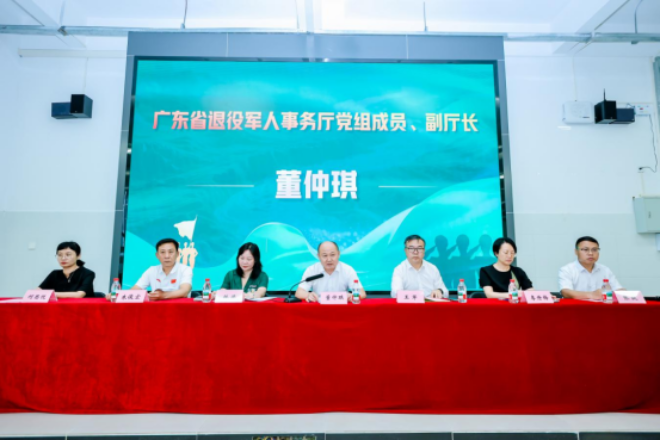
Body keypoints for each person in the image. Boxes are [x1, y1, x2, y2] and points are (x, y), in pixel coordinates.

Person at [111, 238, 192, 301]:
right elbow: (136, 288)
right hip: (156, 309)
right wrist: (117, 295)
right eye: (162, 252)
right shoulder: (152, 270)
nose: (167, 256)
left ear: (177, 254)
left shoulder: (185, 269)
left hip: (179, 308)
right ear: (157, 255)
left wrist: (163, 295)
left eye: (170, 252)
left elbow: (185, 291)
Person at [295, 241, 367, 302]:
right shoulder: (312, 270)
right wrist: (308, 295)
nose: (329, 259)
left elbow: (362, 293)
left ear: (338, 254)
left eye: (332, 255)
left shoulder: (347, 270)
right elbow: (299, 292)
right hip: (319, 309)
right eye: (324, 255)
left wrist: (353, 296)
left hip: (341, 309)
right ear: (318, 256)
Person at [559, 236, 624, 299]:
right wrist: (592, 294)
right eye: (585, 249)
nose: (590, 253)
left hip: (601, 306)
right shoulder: (567, 270)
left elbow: (618, 289)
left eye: (594, 250)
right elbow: (565, 292)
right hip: (577, 306)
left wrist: (624, 293)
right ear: (576, 251)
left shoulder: (605, 270)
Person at [391, 234, 448, 299]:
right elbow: (396, 293)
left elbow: (445, 292)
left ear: (424, 251)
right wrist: (419, 297)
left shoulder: (432, 268)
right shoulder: (399, 270)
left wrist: (439, 291)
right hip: (409, 305)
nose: (415, 252)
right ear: (405, 251)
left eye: (419, 248)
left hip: (430, 304)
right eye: (411, 248)